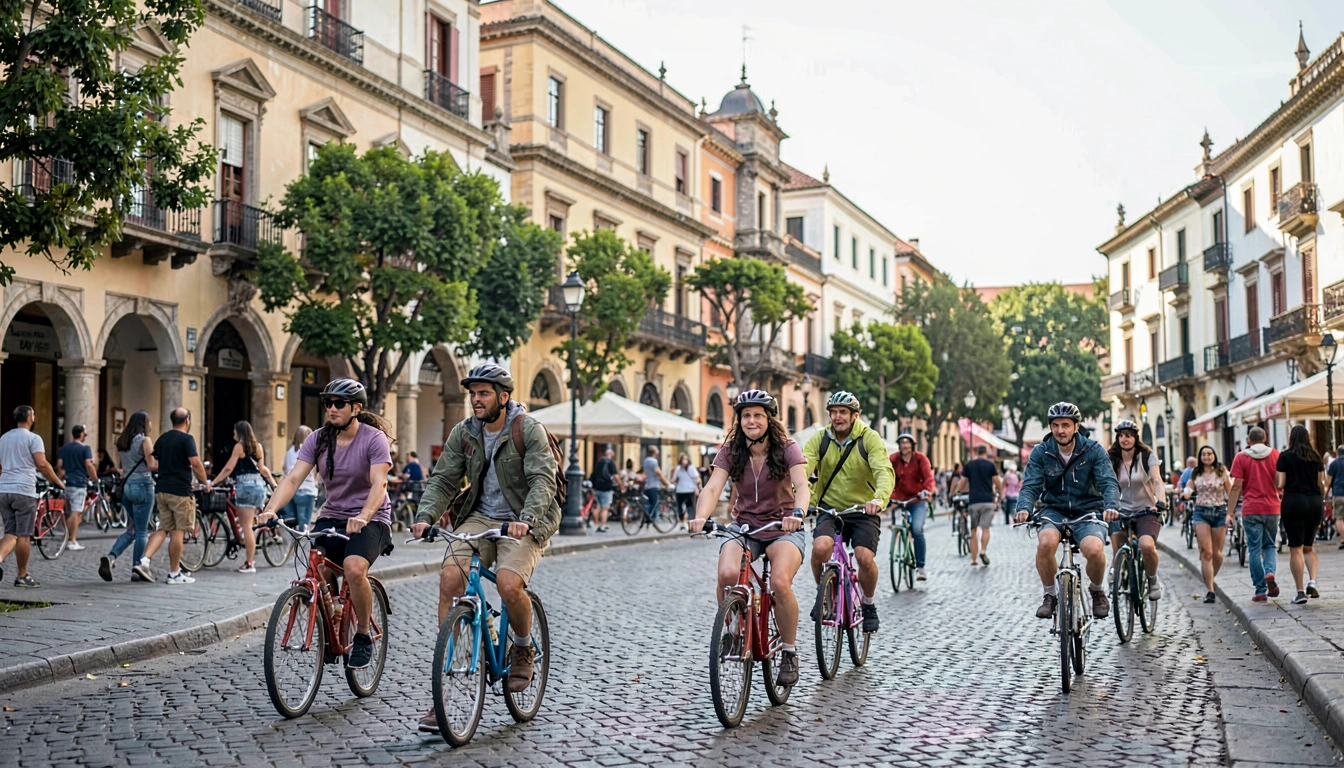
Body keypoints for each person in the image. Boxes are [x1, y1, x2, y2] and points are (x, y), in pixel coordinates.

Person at [411, 364, 559, 731]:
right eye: (473, 394)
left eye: (484, 393)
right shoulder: (464, 432)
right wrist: (425, 516)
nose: (476, 400)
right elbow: (444, 479)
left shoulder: (528, 430)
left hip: (525, 518)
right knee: (450, 578)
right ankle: (451, 676)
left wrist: (527, 518)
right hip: (479, 516)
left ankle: (522, 646)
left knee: (509, 583)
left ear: (503, 397)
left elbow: (543, 480)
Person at [261, 378, 396, 672]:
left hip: (372, 517)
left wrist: (364, 515)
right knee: (316, 567)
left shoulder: (373, 439)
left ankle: (362, 635)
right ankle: (333, 611)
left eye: (339, 404)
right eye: (328, 403)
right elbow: (293, 479)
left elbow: (380, 483)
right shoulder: (318, 439)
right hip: (333, 514)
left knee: (354, 568)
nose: (331, 409)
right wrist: (270, 509)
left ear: (356, 408)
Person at [690, 389, 809, 687]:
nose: (751, 421)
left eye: (758, 415)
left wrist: (797, 513)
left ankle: (789, 652)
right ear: (739, 420)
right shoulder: (731, 450)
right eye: (746, 416)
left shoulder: (787, 448)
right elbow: (713, 487)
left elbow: (802, 486)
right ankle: (733, 628)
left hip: (783, 527)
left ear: (769, 419)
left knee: (779, 582)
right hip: (744, 526)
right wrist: (701, 516)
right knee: (727, 574)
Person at [1014, 402, 1119, 620]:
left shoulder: (1093, 450)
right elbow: (1031, 485)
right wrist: (1024, 507)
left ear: (1076, 426)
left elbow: (1108, 481)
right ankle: (1050, 595)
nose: (1060, 430)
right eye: (1055, 425)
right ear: (1050, 427)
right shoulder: (1041, 452)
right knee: (1045, 544)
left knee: (1094, 550)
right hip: (1053, 510)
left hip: (1088, 510)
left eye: (1065, 425)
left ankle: (1097, 590)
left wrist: (1111, 505)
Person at [803, 391, 894, 633]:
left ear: (855, 416)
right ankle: (823, 593)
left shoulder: (869, 438)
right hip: (829, 508)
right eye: (833, 412)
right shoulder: (820, 439)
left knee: (864, 557)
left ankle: (868, 603)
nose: (837, 417)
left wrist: (878, 499)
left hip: (863, 509)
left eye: (843, 412)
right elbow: (802, 469)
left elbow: (883, 471)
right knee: (820, 548)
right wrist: (799, 498)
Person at [138, 408, 212, 585]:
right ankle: (174, 573)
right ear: (187, 420)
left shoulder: (162, 438)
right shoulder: (187, 439)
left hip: (162, 489)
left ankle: (144, 560)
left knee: (163, 528)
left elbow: (154, 463)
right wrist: (205, 482)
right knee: (178, 532)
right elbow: (195, 463)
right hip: (180, 491)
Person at [0, 405, 65, 587]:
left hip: (4, 489)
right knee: (24, 535)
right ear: (29, 417)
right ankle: (22, 575)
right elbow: (42, 464)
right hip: (24, 491)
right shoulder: (33, 438)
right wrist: (58, 482)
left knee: (10, 534)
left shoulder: (3, 438)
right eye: (34, 415)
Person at [1106, 420, 1165, 601]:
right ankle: (1118, 570)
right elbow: (1104, 483)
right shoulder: (1111, 458)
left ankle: (1152, 579)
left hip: (1146, 510)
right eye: (1122, 435)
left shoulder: (1146, 455)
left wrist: (1161, 501)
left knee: (1146, 545)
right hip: (1119, 510)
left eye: (1129, 435)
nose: (1125, 439)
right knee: (1118, 548)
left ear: (1135, 438)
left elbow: (1156, 480)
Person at [211, 420, 275, 574]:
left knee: (246, 527)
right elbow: (262, 469)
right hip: (258, 486)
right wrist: (274, 485)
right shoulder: (258, 447)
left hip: (245, 486)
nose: (233, 433)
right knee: (249, 524)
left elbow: (228, 468)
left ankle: (249, 563)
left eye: (234, 430)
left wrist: (213, 483)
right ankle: (250, 555)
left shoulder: (239, 447)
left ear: (239, 432)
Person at [1226, 426, 1281, 602]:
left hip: (1251, 509)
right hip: (1272, 507)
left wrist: (1230, 512)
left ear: (1249, 440)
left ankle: (1260, 591)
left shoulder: (1241, 457)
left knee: (1254, 549)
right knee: (1270, 545)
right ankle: (1270, 573)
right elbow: (1280, 482)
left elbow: (1236, 486)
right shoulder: (1276, 455)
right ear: (1265, 439)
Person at [103, 411, 157, 582]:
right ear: (144, 423)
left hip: (127, 487)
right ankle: (137, 568)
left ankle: (111, 557)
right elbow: (152, 465)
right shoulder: (145, 440)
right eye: (149, 421)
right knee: (141, 531)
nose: (150, 424)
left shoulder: (121, 441)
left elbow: (121, 467)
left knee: (133, 529)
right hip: (143, 486)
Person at [1276, 425, 1325, 605]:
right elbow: (1321, 482)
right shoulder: (1315, 456)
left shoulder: (1285, 456)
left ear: (1291, 438)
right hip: (1314, 502)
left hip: (1294, 502)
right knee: (1308, 547)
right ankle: (1312, 581)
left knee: (1295, 548)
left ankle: (1300, 592)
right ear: (1307, 437)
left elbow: (1280, 483)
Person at [1186, 445, 1232, 603]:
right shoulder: (1196, 472)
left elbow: (1230, 491)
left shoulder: (1221, 471)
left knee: (1217, 553)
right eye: (1204, 454)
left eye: (1209, 454)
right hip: (1201, 512)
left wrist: (1231, 512)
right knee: (1207, 553)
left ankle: (1210, 577)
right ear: (1200, 456)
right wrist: (1186, 492)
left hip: (1219, 512)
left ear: (1214, 455)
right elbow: (1189, 486)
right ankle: (1210, 590)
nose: (1206, 457)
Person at [888, 432, 933, 575]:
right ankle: (900, 541)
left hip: (917, 499)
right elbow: (886, 476)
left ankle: (921, 566)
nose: (904, 445)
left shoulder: (920, 459)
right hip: (899, 499)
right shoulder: (893, 459)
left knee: (917, 529)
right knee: (899, 526)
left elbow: (928, 477)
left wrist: (927, 490)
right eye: (902, 443)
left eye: (907, 442)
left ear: (912, 445)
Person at [957, 444, 1002, 567]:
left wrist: (956, 492)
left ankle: (974, 559)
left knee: (974, 531)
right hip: (988, 501)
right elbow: (997, 481)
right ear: (986, 452)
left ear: (976, 452)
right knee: (985, 529)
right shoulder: (990, 465)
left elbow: (962, 482)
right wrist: (1001, 495)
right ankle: (983, 551)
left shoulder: (970, 465)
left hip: (974, 501)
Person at [55, 424, 96, 551]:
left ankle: (70, 538)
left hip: (66, 483)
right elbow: (88, 464)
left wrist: (61, 477)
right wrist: (95, 478)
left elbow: (59, 465)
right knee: (76, 512)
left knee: (73, 512)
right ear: (82, 434)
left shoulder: (64, 448)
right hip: (79, 483)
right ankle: (71, 540)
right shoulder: (85, 448)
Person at [281, 426, 318, 532]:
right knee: (304, 525)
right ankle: (304, 542)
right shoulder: (309, 450)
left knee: (294, 525)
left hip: (292, 492)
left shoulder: (289, 451)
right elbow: (313, 470)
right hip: (306, 490)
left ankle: (293, 542)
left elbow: (285, 469)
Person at [589, 446, 623, 533]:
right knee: (605, 508)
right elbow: (616, 476)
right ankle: (603, 526)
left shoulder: (599, 462)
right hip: (606, 488)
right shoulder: (610, 462)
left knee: (598, 507)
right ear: (611, 454)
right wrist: (621, 485)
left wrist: (592, 487)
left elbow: (593, 475)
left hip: (597, 487)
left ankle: (596, 525)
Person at [671, 453, 702, 529]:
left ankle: (690, 523)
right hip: (680, 490)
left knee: (690, 507)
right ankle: (681, 523)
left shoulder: (691, 468)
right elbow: (674, 479)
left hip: (690, 490)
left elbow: (697, 478)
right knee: (680, 508)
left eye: (685, 459)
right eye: (683, 459)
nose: (684, 461)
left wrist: (699, 488)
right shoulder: (678, 468)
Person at [642, 446, 669, 519]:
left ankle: (647, 518)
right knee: (655, 503)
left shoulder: (645, 461)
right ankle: (650, 518)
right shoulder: (653, 461)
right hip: (654, 486)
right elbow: (659, 474)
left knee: (648, 503)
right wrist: (666, 484)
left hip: (647, 486)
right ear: (655, 452)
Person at [1326, 445, 1344, 549]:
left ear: (1337, 453)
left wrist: (1325, 495)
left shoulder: (1334, 464)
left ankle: (1343, 539)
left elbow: (1328, 482)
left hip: (1338, 494)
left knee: (1339, 518)